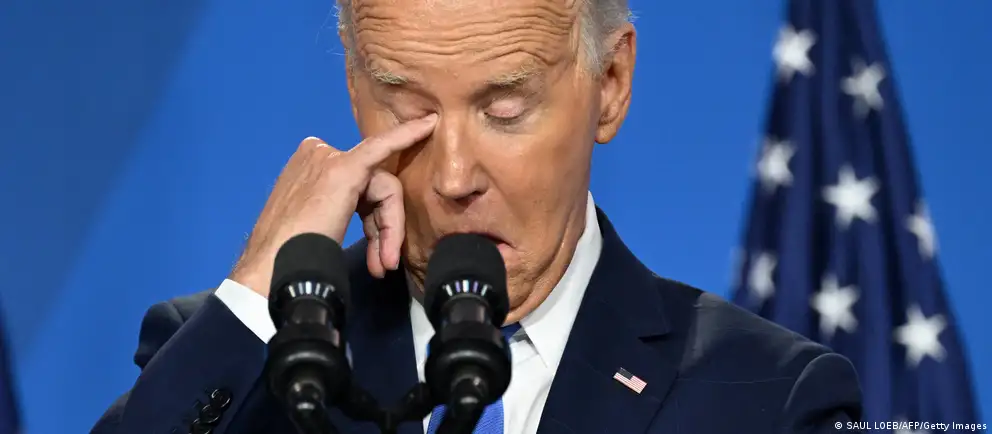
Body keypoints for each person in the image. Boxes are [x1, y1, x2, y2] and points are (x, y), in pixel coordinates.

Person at [91, 0, 864, 433]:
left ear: (611, 82)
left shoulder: (767, 399)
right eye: (408, 110)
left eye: (504, 110)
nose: (454, 177)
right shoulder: (239, 362)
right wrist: (261, 288)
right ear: (356, 90)